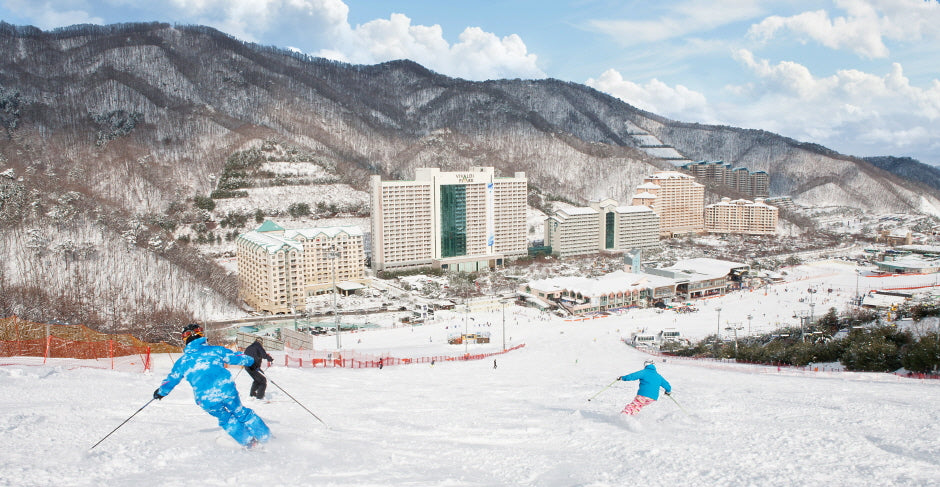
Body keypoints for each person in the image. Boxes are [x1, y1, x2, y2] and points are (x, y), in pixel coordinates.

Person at [153, 324, 271, 448]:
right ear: (201, 335)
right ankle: (266, 437)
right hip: (226, 390)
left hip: (205, 398)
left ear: (184, 340)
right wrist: (252, 362)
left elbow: (171, 380)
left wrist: (161, 392)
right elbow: (236, 357)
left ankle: (250, 443)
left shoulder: (183, 361)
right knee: (241, 412)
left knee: (225, 419)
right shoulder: (216, 350)